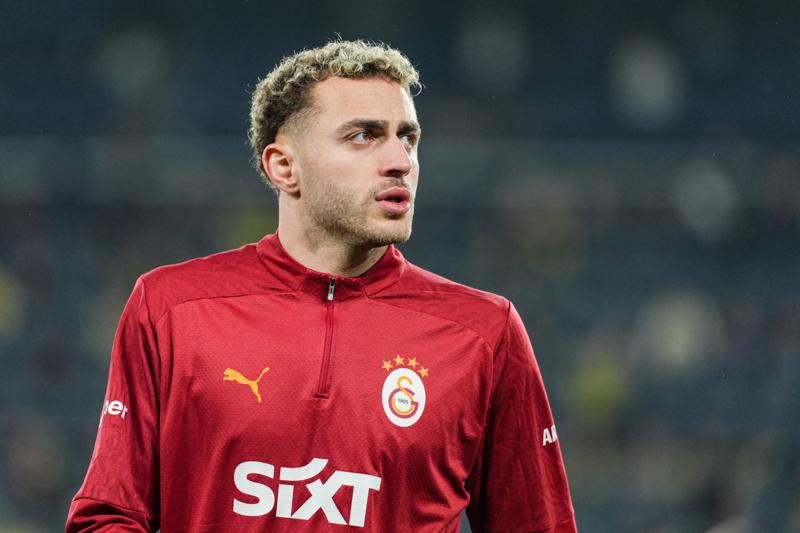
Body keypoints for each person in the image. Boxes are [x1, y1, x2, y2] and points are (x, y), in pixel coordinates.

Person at [66, 39, 577, 532]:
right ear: (284, 167)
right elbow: (107, 517)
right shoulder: (171, 308)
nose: (400, 161)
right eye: (363, 136)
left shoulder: (484, 333)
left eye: (408, 137)